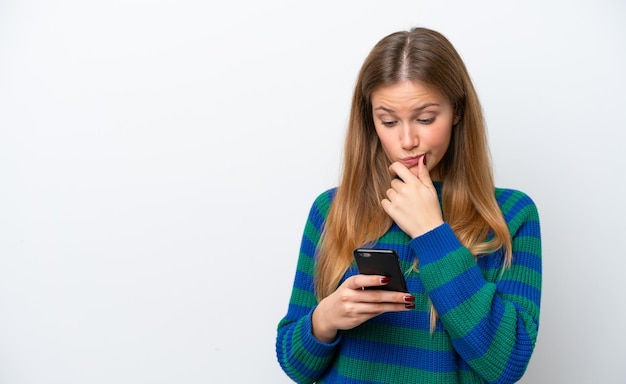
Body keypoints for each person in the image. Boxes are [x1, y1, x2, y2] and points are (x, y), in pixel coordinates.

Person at [275, 27, 541, 384]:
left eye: (426, 118)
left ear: (458, 111)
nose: (407, 141)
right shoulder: (332, 209)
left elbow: (506, 364)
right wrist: (324, 320)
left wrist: (432, 233)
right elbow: (296, 365)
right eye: (387, 120)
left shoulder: (511, 215)